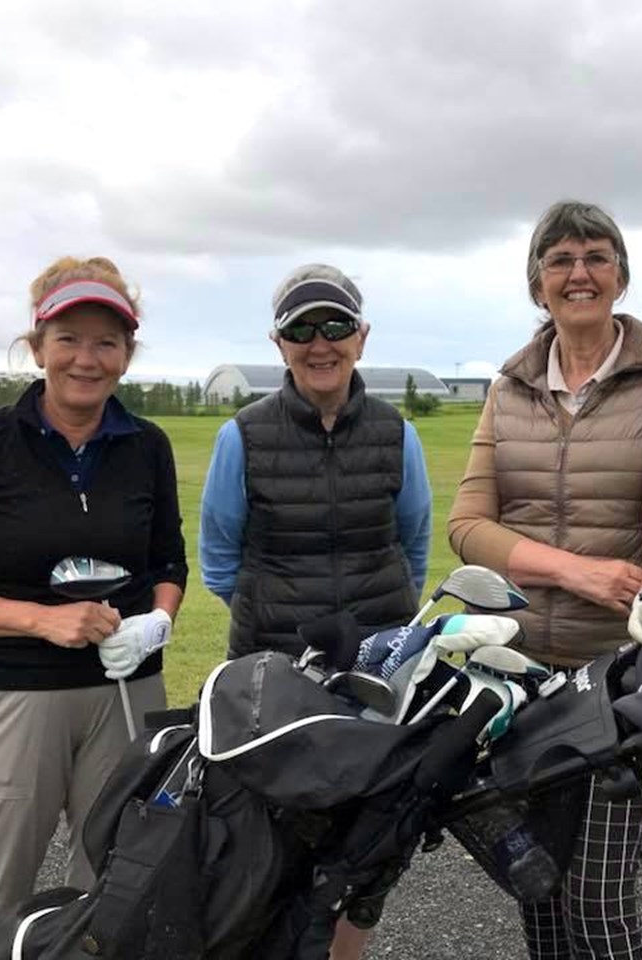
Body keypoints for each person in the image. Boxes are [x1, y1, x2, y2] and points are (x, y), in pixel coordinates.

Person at [0, 256, 187, 960]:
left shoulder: (147, 446)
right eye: (68, 339)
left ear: (126, 355)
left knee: (115, 898)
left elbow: (168, 566)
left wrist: (158, 623)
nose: (87, 359)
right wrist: (42, 620)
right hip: (12, 695)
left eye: (106, 342)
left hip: (124, 693)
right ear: (37, 347)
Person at [448, 199, 642, 960]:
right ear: (538, 285)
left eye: (597, 257)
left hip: (614, 674)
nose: (579, 273)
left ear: (621, 277)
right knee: (538, 887)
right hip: (520, 673)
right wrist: (578, 572)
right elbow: (468, 524)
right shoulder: (510, 386)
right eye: (560, 260)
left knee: (597, 902)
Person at [199, 262, 431, 959]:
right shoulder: (241, 436)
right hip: (274, 672)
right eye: (302, 329)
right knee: (267, 843)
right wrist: (275, 613)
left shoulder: (397, 433)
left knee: (368, 847)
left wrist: (385, 629)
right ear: (279, 343)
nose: (320, 343)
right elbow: (219, 557)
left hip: (377, 674)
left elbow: (413, 543)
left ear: (361, 336)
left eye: (335, 325)